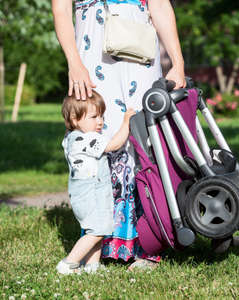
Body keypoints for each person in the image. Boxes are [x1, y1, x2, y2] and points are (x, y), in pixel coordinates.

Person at [52, 0, 186, 269]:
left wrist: (178, 62)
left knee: (146, 139)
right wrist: (73, 62)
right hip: (93, 51)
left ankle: (150, 241)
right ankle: (100, 241)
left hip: (141, 53)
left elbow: (159, 5)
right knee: (101, 133)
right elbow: (61, 9)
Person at [57, 91, 135, 274]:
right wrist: (126, 123)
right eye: (94, 117)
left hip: (87, 193)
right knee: (96, 231)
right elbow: (113, 145)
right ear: (75, 119)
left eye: (101, 116)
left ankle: (92, 266)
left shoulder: (71, 137)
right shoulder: (86, 138)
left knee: (98, 229)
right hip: (91, 194)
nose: (100, 121)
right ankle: (69, 263)